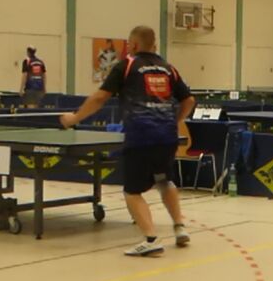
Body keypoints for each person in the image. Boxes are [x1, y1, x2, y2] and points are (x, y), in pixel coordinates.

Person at [61, 25, 194, 257]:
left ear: (133, 45)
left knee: (132, 192)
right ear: (154, 45)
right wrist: (175, 121)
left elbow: (100, 98)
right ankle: (179, 227)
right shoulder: (168, 68)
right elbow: (189, 100)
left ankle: (151, 240)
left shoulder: (127, 65)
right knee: (164, 181)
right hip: (167, 136)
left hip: (141, 136)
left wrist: (74, 118)